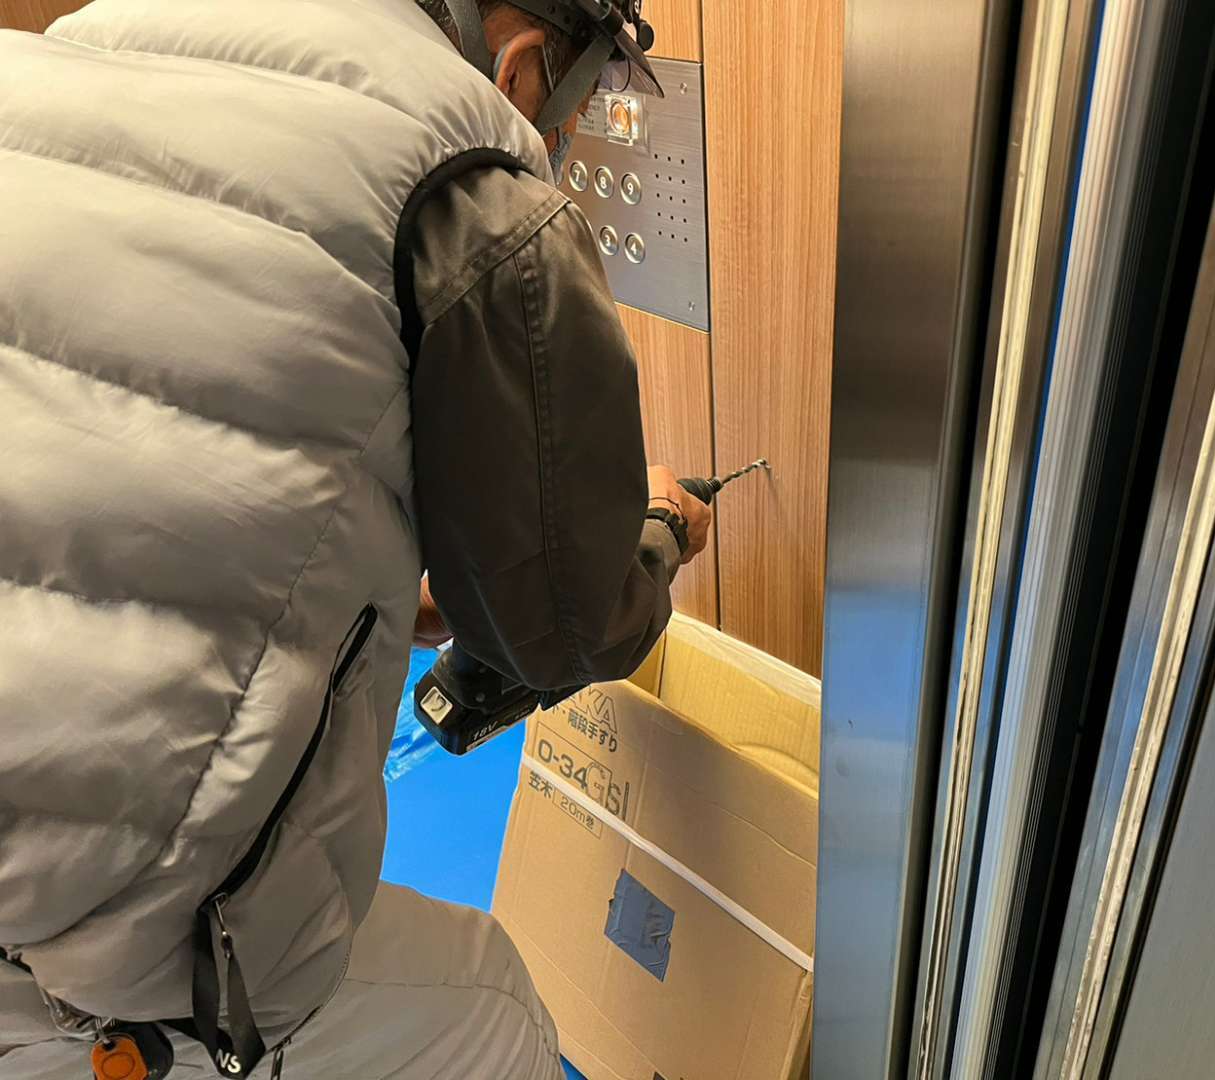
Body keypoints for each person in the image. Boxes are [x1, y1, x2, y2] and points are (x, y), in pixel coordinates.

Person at [0, 0, 710, 1076]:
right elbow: (565, 625)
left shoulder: (76, 52)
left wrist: (372, 594)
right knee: (497, 1010)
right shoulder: (478, 192)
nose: (562, 146)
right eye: (576, 115)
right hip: (78, 934)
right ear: (521, 68)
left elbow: (136, 472)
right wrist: (654, 532)